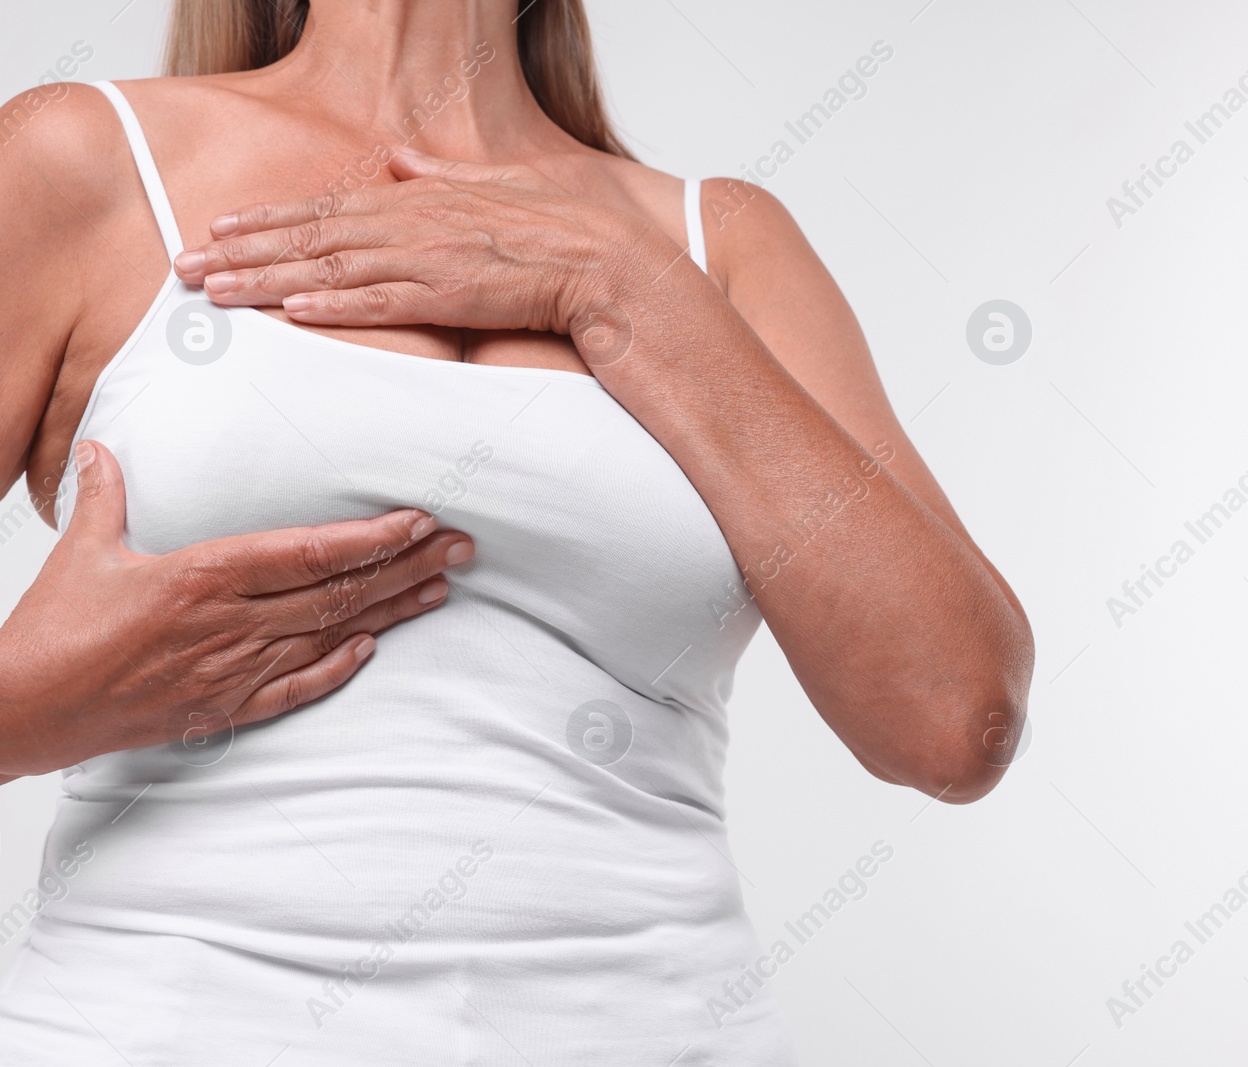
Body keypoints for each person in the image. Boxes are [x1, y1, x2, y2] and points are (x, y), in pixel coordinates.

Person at [0, 0, 1033, 1060]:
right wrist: (34, 699)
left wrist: (619, 285)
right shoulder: (79, 158)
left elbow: (954, 723)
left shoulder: (714, 242)